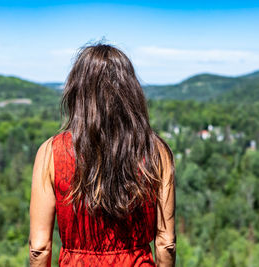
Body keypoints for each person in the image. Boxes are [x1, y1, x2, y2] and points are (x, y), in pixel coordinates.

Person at [29, 42, 176, 266]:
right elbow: (165, 243)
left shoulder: (51, 152)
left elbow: (39, 247)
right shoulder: (156, 151)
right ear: (130, 91)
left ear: (77, 92)